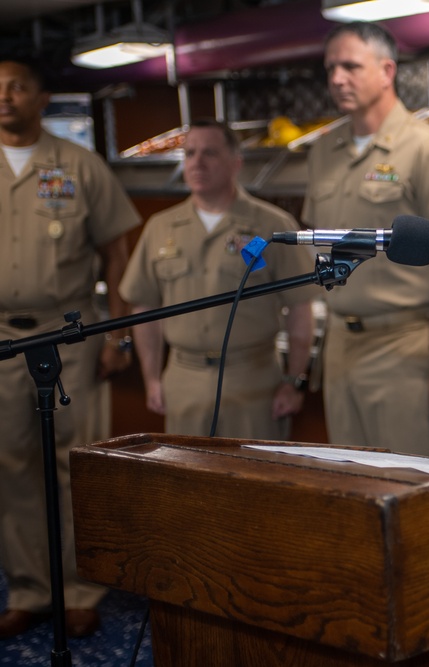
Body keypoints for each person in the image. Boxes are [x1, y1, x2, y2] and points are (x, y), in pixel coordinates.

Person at [0, 58, 140, 638]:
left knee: (73, 464)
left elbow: (117, 252)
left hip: (69, 336)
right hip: (2, 341)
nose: (5, 97)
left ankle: (81, 588)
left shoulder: (79, 165)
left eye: (17, 87)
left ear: (42, 97)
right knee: (11, 468)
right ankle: (31, 589)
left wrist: (118, 334)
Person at [303, 23, 429, 457]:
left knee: (408, 487)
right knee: (349, 486)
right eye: (330, 68)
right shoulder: (324, 151)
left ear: (387, 71)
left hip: (403, 347)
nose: (337, 78)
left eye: (350, 66)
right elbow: (317, 245)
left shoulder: (424, 147)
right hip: (341, 348)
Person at [120, 119, 314, 440]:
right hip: (184, 379)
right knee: (187, 483)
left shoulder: (272, 225)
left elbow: (299, 310)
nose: (197, 162)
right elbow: (144, 308)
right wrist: (152, 378)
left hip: (253, 381)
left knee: (253, 483)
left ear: (235, 162)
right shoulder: (160, 227)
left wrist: (294, 381)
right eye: (190, 153)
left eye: (209, 153)